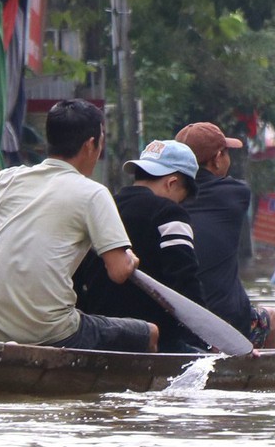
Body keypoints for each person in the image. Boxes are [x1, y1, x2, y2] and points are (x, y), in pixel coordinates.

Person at [0, 100, 155, 352]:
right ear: (90, 145)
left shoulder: (8, 180)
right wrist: (130, 257)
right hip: (54, 331)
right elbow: (119, 271)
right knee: (151, 333)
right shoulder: (93, 194)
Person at [75, 139, 208, 352]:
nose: (179, 204)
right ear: (172, 183)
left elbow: (77, 279)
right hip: (158, 341)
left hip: (100, 336)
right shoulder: (169, 213)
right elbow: (185, 281)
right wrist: (206, 341)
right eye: (181, 199)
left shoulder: (103, 207)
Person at [177, 121, 275, 349]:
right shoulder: (236, 192)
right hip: (228, 319)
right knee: (269, 318)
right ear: (216, 159)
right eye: (226, 154)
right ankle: (274, 376)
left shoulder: (165, 196)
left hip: (176, 319)